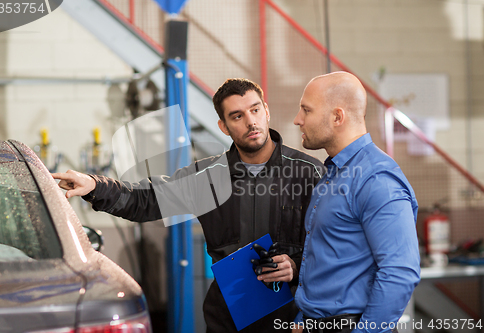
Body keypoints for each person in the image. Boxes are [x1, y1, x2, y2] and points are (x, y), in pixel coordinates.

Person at [52, 78, 325, 333]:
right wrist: (95, 186)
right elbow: (144, 199)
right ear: (224, 126)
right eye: (237, 116)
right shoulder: (209, 177)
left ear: (266, 111)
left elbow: (335, 248)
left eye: (254, 110)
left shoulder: (308, 173)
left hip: (292, 316)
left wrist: (296, 266)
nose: (250, 122)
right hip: (229, 317)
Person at [291, 72, 420, 333]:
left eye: (306, 110)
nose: (298, 120)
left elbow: (400, 272)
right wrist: (304, 320)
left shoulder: (376, 179)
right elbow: (327, 258)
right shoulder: (334, 172)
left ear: (337, 117)